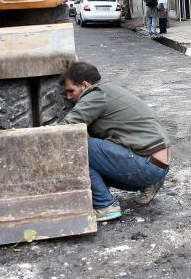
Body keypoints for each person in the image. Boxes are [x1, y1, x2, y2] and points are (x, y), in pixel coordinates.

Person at [60, 62, 172, 221]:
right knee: (95, 149)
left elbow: (66, 129)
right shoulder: (110, 90)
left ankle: (105, 206)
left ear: (85, 85)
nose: (69, 97)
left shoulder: (95, 95)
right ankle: (148, 184)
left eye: (71, 91)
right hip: (159, 162)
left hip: (148, 165)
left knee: (78, 147)